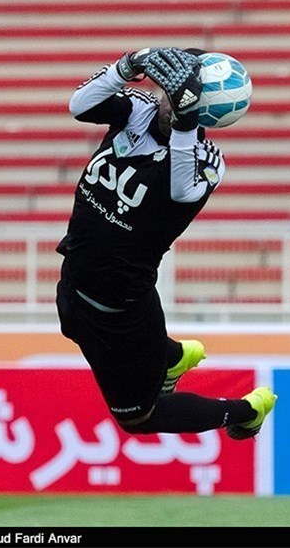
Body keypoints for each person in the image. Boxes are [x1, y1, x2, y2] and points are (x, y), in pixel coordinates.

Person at [55, 47, 276, 439]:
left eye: (177, 98)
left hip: (123, 311)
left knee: (138, 419)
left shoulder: (205, 161)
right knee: (72, 326)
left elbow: (178, 188)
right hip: (73, 277)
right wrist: (126, 67)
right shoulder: (137, 111)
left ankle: (247, 411)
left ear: (200, 113)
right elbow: (79, 106)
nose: (164, 101)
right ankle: (171, 357)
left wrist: (185, 121)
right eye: (166, 91)